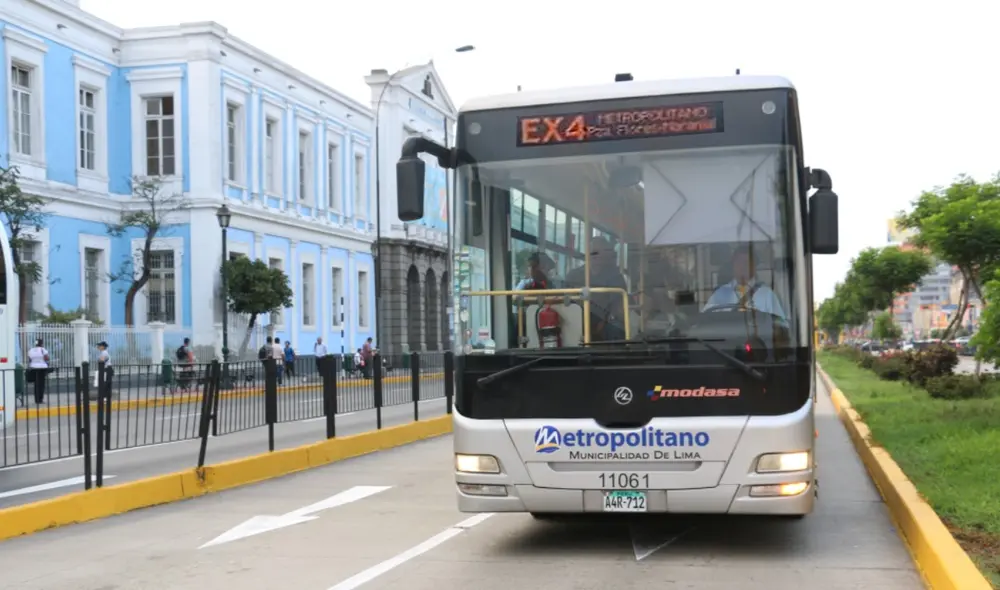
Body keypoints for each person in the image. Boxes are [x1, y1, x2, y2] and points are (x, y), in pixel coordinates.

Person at [565, 236, 629, 340]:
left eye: (600, 252)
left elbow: (618, 307)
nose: (596, 256)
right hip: (576, 320)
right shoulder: (573, 276)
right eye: (593, 252)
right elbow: (565, 303)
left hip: (605, 323)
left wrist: (604, 322)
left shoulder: (616, 277)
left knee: (616, 329)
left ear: (607, 255)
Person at [703, 244, 785, 317]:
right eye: (739, 262)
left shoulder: (767, 295)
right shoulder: (720, 293)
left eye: (746, 262)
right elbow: (705, 320)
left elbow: (780, 325)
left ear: (754, 266)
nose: (742, 266)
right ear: (733, 265)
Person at [26, 338, 50, 404]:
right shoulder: (43, 349)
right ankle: (40, 399)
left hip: (33, 368)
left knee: (36, 384)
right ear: (41, 343)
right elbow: (47, 358)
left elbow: (30, 359)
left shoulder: (31, 350)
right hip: (42, 368)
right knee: (41, 384)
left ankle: (36, 399)